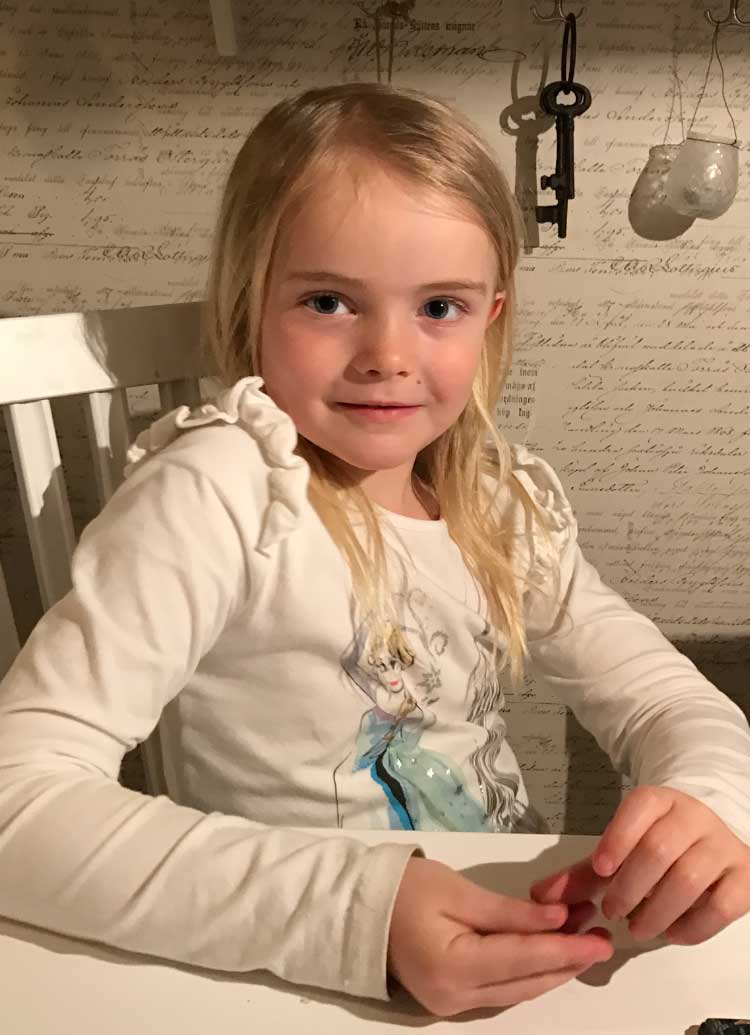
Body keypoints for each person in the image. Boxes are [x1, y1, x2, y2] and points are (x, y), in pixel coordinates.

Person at [1, 82, 749, 1019]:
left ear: (491, 315)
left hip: (509, 936)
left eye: (440, 306)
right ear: (250, 301)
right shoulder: (221, 493)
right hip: (289, 978)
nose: (387, 355)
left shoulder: (497, 502)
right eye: (328, 301)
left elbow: (668, 697)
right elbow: (18, 796)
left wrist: (709, 801)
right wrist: (360, 915)